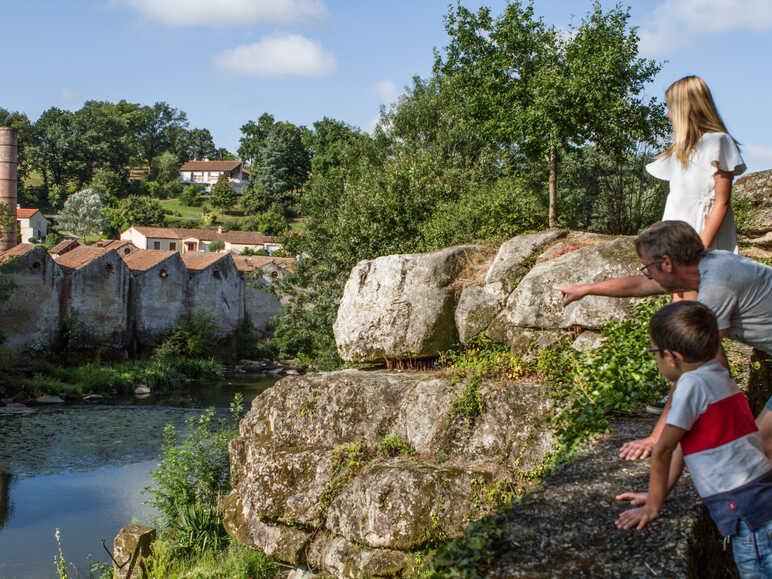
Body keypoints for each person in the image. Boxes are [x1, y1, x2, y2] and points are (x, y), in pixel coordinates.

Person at [554, 220, 772, 460]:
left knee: (759, 448)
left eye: (648, 267)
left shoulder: (717, 288)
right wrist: (585, 289)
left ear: (667, 263)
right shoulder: (713, 265)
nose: (648, 275)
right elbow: (642, 285)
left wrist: (656, 438)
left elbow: (692, 366)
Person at [615, 302, 772, 577]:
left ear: (672, 357)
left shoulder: (689, 386)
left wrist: (652, 508)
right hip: (761, 493)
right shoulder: (718, 374)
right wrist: (657, 493)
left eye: (655, 353)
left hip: (745, 511)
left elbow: (663, 450)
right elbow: (683, 447)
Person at [648, 75, 746, 259]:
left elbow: (721, 202)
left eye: (671, 108)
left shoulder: (718, 142)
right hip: (676, 233)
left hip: (702, 235)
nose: (668, 114)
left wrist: (700, 247)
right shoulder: (681, 151)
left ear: (686, 108)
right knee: (678, 287)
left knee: (699, 285)